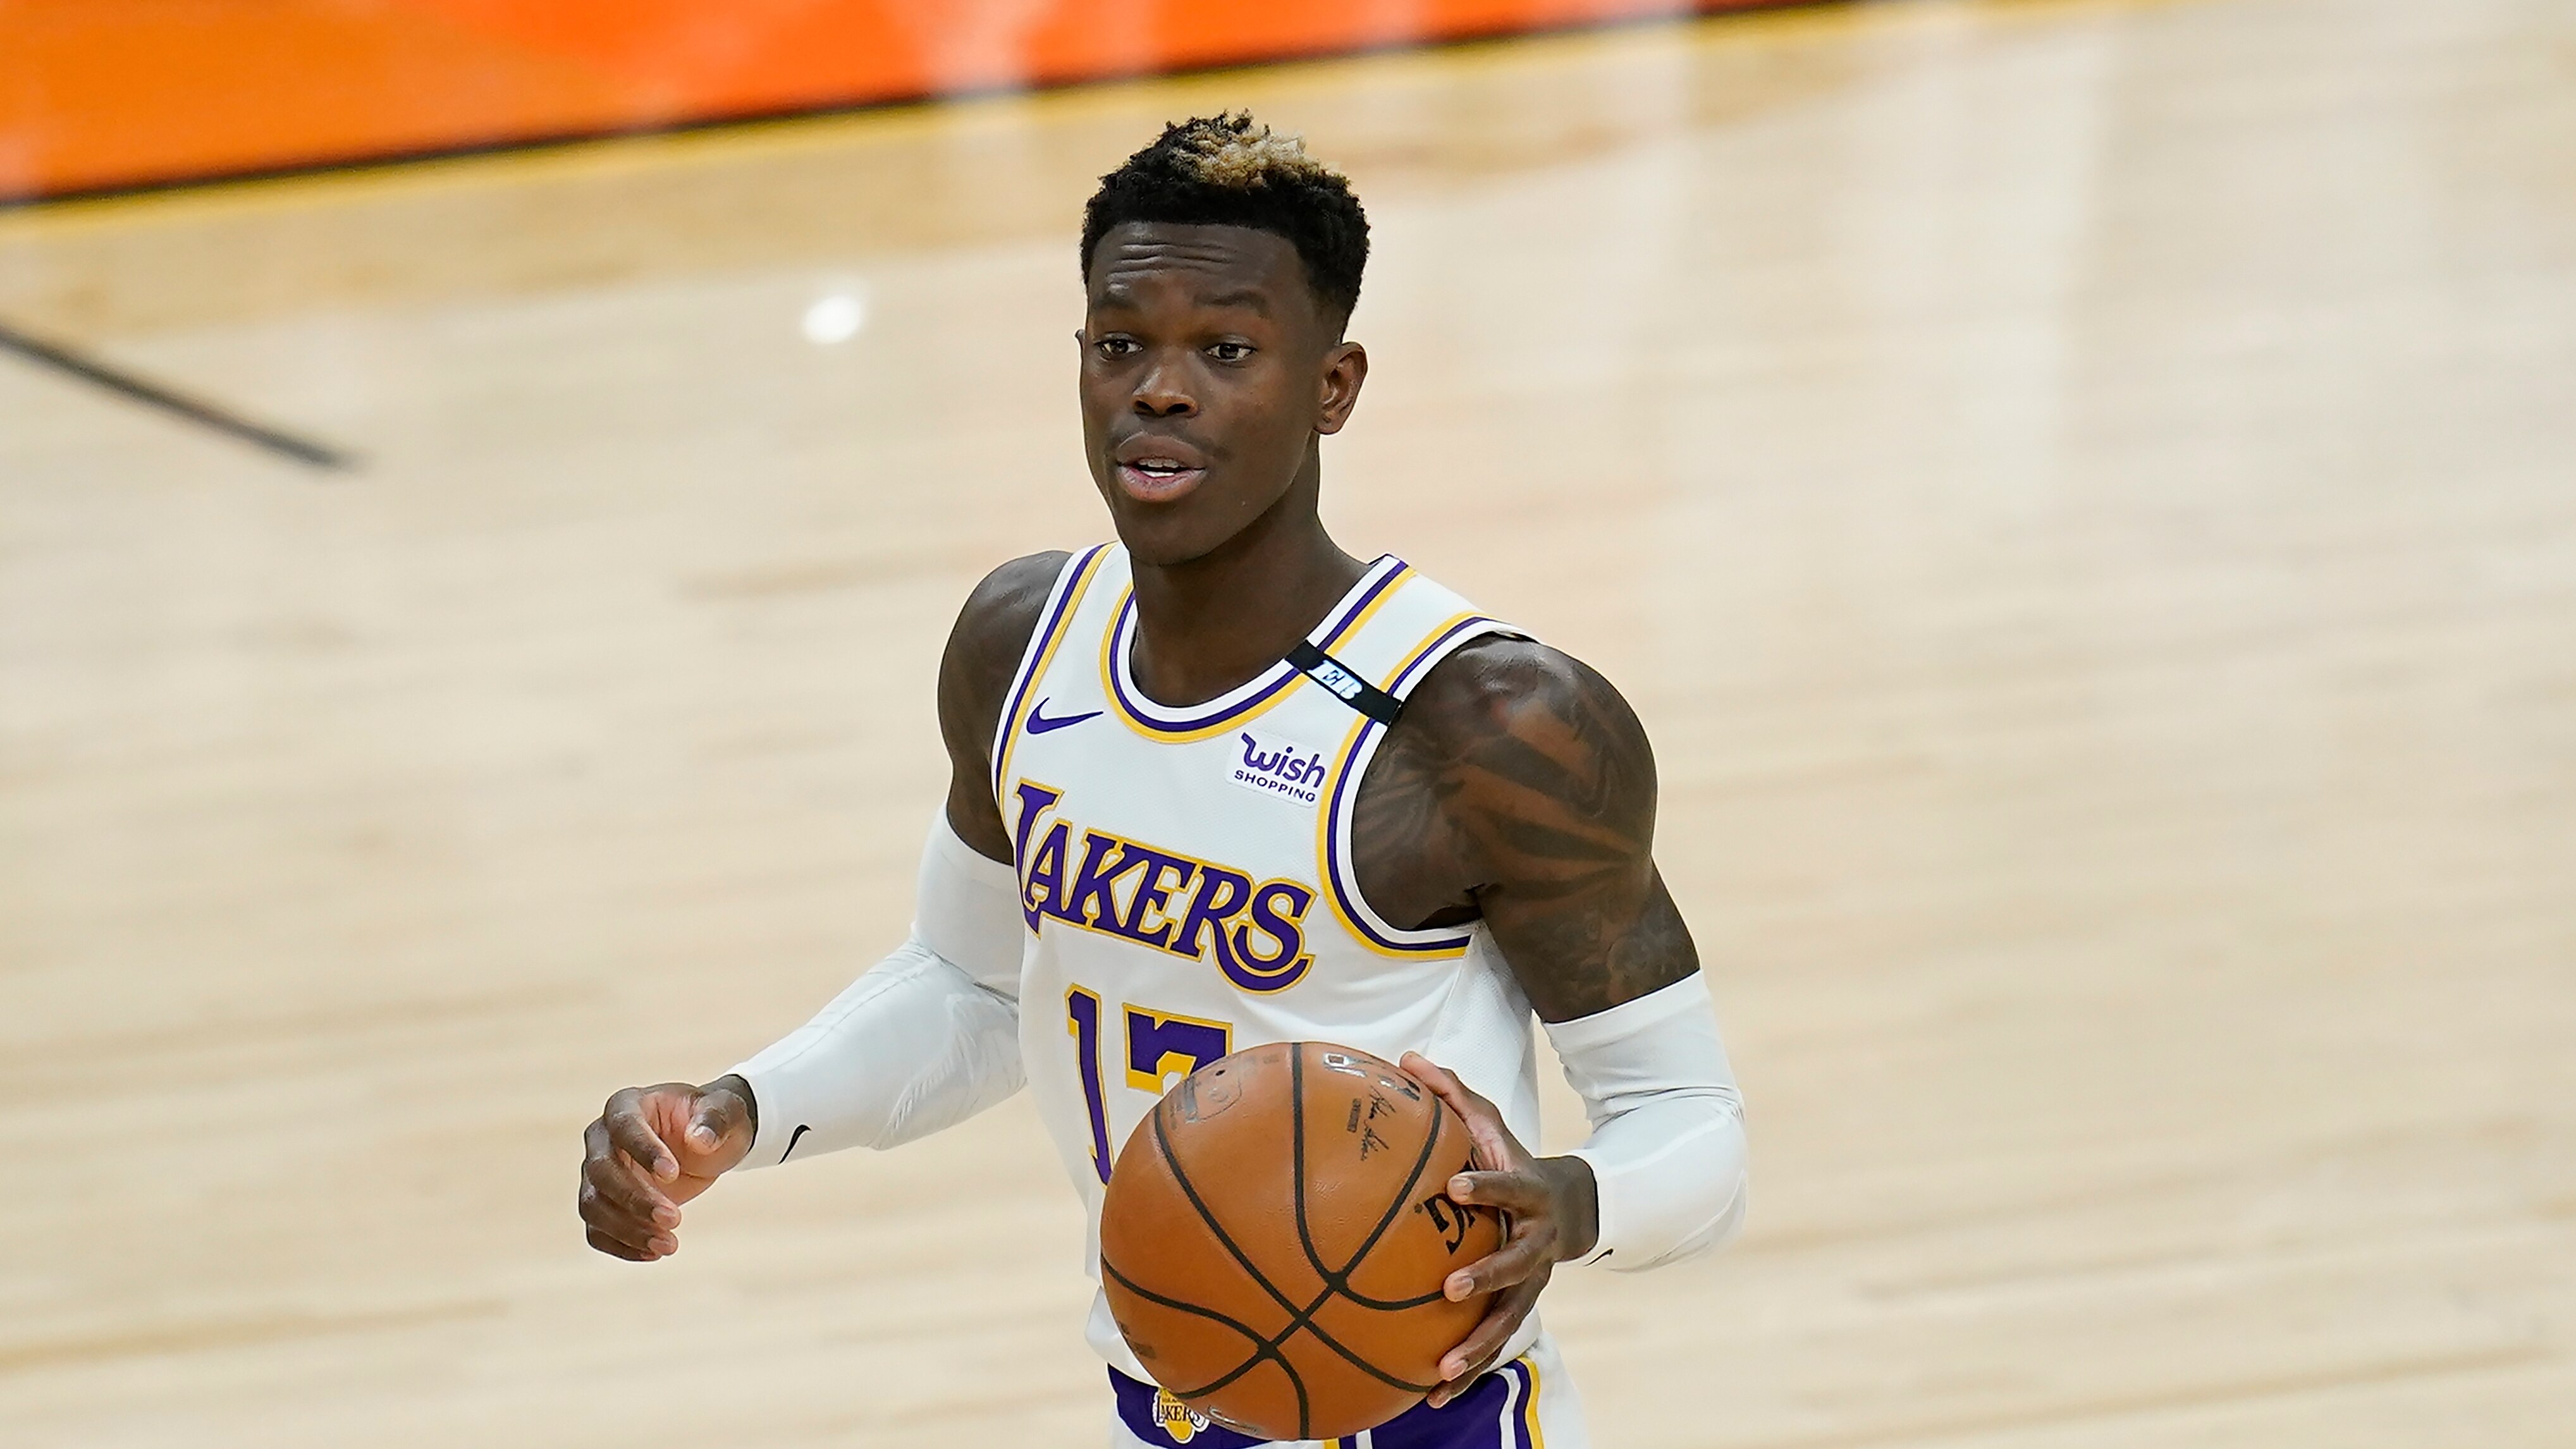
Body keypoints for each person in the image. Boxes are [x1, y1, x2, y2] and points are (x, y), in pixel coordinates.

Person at [577, 113, 1747, 1449]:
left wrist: (1575, 1203)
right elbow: (972, 985)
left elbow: (1690, 1123)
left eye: (1227, 351)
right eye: (1120, 345)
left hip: (1425, 1418)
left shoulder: (1486, 725)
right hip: (1161, 1408)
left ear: (1333, 387)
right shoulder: (1021, 643)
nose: (1160, 391)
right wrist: (740, 1111)